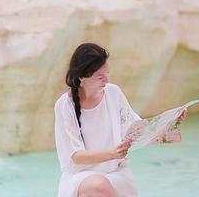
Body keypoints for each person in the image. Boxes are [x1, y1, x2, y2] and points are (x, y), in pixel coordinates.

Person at [54, 43, 188, 197]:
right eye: (100, 77)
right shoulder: (65, 105)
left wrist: (171, 120)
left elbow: (136, 130)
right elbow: (75, 156)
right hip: (80, 177)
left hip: (115, 172)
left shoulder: (113, 93)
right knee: (99, 185)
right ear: (81, 77)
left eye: (108, 73)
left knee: (102, 185)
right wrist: (111, 154)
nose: (106, 80)